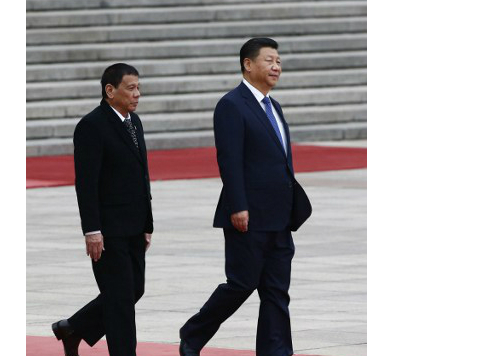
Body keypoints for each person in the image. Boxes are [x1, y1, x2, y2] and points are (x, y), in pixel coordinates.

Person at [179, 38, 312, 356]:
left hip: (280, 216)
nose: (276, 66)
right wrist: (238, 205)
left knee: (277, 290)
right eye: (269, 60)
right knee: (241, 283)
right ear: (247, 64)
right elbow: (229, 159)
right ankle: (193, 333)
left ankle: (276, 351)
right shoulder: (232, 105)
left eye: (279, 61)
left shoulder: (274, 106)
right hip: (248, 215)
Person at [51, 63, 154, 356]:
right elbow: (86, 184)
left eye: (138, 87)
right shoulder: (91, 126)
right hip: (108, 230)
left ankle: (73, 328)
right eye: (130, 88)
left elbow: (141, 175)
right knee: (120, 300)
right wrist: (92, 230)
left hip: (135, 225)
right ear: (110, 91)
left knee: (133, 291)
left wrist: (147, 224)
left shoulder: (134, 122)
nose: (137, 94)